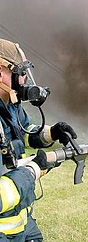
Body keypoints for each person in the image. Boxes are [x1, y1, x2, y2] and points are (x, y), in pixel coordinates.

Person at [0, 38, 77, 241]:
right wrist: (33, 170)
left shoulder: (10, 104)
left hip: (22, 219)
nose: (24, 79)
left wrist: (52, 133)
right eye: (20, 73)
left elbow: (24, 133)